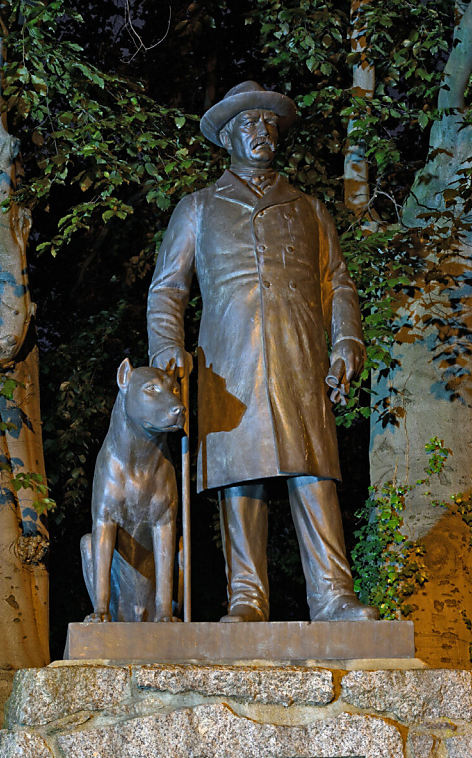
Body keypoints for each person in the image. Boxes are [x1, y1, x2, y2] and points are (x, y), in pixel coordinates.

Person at [147, 81, 377, 623]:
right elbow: (167, 289)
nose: (262, 131)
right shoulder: (198, 207)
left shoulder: (309, 209)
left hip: (301, 356)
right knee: (239, 476)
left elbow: (337, 283)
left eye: (269, 123)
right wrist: (167, 349)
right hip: (229, 362)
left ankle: (332, 596)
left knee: (314, 472)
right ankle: (246, 597)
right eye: (249, 123)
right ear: (227, 136)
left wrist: (346, 340)